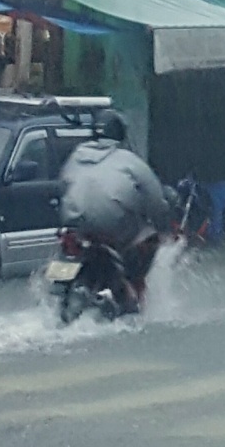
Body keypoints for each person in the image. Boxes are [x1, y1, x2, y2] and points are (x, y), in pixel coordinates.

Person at [59, 110, 173, 314]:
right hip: (113, 232)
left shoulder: (74, 156)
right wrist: (163, 228)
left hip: (76, 229)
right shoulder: (130, 161)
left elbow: (62, 188)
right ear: (120, 133)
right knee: (148, 241)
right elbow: (156, 201)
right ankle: (133, 293)